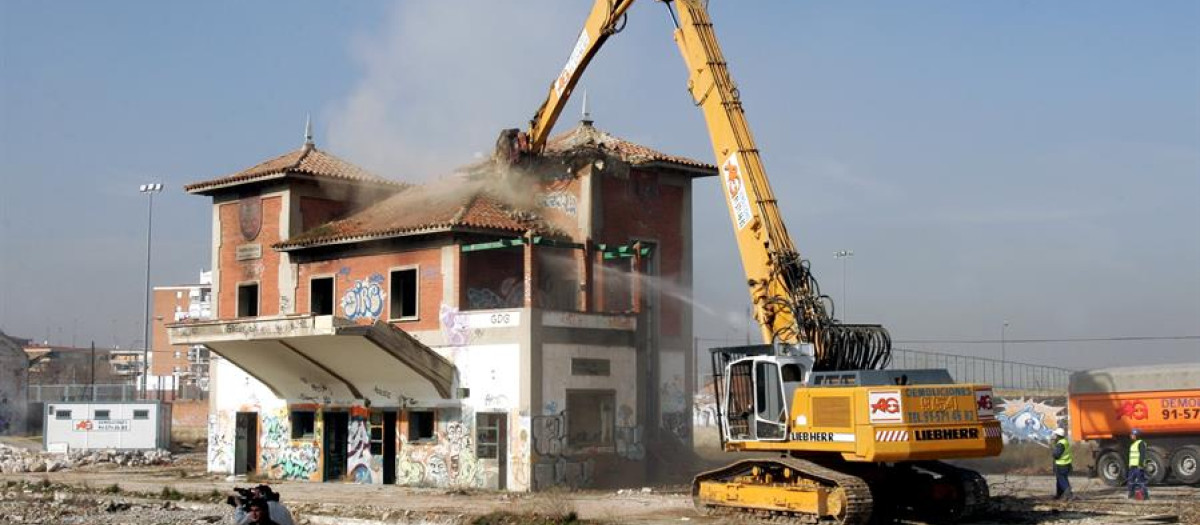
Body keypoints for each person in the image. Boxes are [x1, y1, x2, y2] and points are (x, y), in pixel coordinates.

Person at [1051, 427, 1073, 500]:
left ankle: (1068, 494)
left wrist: (1053, 452)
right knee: (1060, 479)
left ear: (1058, 436)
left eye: (1055, 435)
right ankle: (1059, 495)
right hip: (1066, 464)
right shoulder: (1064, 441)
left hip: (1061, 465)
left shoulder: (1060, 444)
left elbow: (1056, 455)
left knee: (1062, 480)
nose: (1054, 436)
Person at [1127, 428, 1149, 500]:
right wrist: (1130, 464)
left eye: (1132, 434)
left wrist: (1140, 465)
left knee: (1141, 481)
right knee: (1131, 481)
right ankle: (1131, 494)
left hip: (1138, 466)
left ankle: (1144, 496)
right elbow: (1131, 455)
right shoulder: (1133, 444)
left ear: (1137, 435)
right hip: (1132, 466)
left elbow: (1142, 455)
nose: (1131, 436)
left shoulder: (1141, 443)